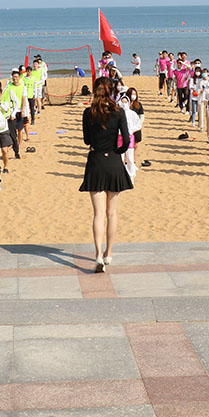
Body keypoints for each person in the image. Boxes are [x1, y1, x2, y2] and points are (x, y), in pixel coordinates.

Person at [80, 77, 132, 273]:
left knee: (98, 214)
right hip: (113, 161)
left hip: (95, 160)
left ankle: (98, 254)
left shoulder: (88, 112)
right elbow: (127, 140)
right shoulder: (118, 112)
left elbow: (86, 140)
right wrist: (117, 150)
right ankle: (109, 253)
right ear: (112, 92)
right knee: (112, 213)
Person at [0, 88, 14, 174]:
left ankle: (6, 167)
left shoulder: (4, 103)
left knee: (4, 151)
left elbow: (5, 109)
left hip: (4, 130)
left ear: (1, 95)